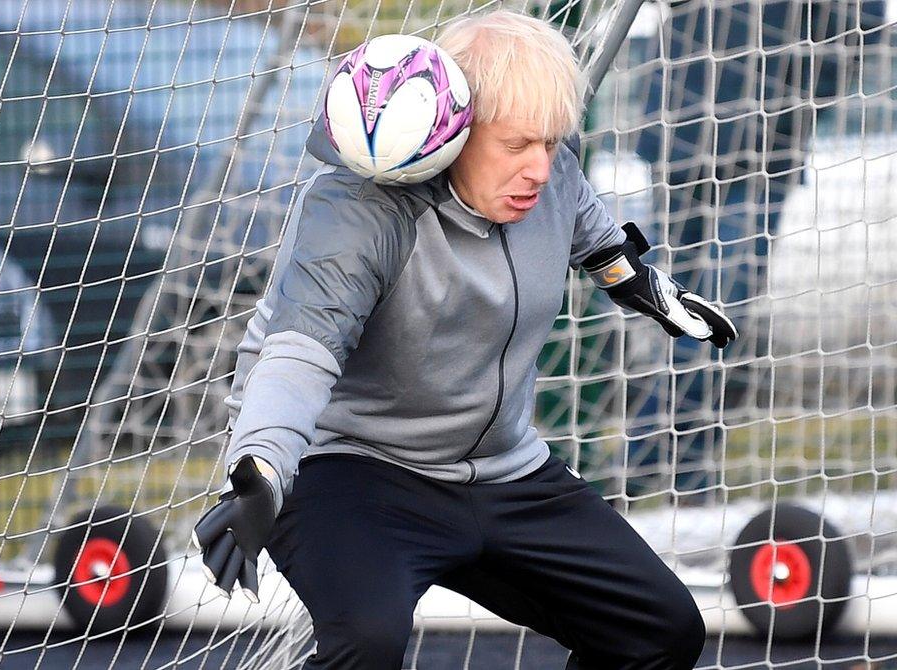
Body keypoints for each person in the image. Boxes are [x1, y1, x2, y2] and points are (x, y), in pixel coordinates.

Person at [193, 11, 736, 669]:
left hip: (503, 471)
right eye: (517, 145)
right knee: (366, 641)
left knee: (662, 630)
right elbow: (300, 351)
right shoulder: (361, 212)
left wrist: (653, 294)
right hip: (354, 469)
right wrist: (261, 469)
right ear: (454, 131)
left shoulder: (552, 175)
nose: (541, 167)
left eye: (552, 142)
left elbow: (597, 241)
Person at [628, 0, 885, 496]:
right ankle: (672, 471)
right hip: (680, 132)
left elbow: (866, 19)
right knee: (673, 309)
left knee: (721, 312)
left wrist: (807, 89)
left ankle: (651, 463)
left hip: (762, 144)